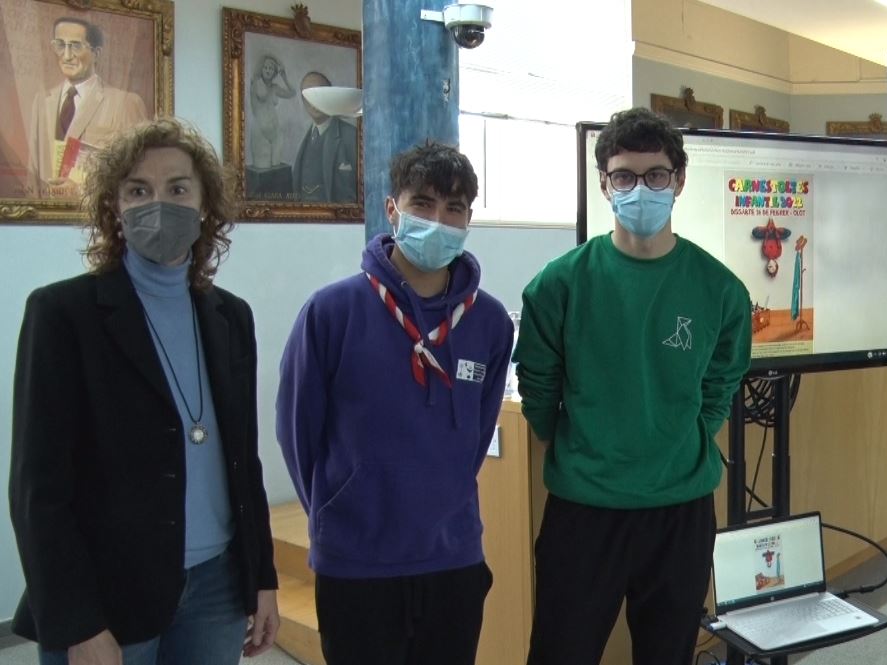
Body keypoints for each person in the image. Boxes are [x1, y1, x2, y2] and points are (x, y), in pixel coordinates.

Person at [9, 117, 279, 665]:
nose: (159, 204)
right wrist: (78, 622)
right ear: (115, 207)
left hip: (217, 589)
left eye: (178, 189)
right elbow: (38, 491)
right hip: (108, 594)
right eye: (138, 190)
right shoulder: (63, 314)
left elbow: (242, 461)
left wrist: (262, 576)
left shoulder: (231, 317)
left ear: (204, 205)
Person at [515, 107, 753, 665]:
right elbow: (538, 388)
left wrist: (683, 436)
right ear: (604, 184)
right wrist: (579, 448)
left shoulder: (720, 289)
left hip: (680, 511)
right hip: (584, 511)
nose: (640, 189)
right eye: (624, 176)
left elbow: (721, 381)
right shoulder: (559, 284)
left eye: (656, 175)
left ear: (679, 181)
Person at [276, 142, 512, 665]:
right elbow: (298, 432)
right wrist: (337, 514)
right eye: (422, 204)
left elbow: (475, 435)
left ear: (468, 220)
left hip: (452, 559)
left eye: (454, 209)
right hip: (357, 563)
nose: (438, 220)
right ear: (392, 209)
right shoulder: (332, 312)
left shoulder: (490, 323)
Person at [27, 16, 147, 198]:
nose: (67, 56)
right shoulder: (42, 102)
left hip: (97, 214)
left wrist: (82, 191)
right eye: (60, 45)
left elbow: (140, 176)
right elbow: (33, 174)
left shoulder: (125, 103)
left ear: (96, 53)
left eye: (76, 46)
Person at [291, 71, 358, 203]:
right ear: (303, 101)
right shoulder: (306, 138)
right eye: (308, 96)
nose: (314, 101)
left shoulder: (352, 136)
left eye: (319, 94)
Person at [248, 54, 295, 169]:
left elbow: (292, 93)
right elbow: (263, 94)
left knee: (276, 169)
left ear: (274, 72)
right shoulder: (256, 83)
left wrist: (284, 77)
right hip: (260, 133)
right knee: (263, 169)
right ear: (261, 69)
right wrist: (276, 59)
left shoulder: (275, 87)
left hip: (275, 132)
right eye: (265, 67)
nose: (268, 70)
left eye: (271, 68)